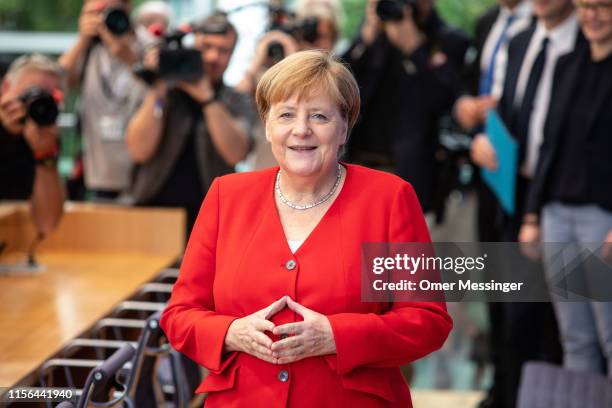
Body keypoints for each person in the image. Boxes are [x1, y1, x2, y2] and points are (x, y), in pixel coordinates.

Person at [160, 50, 452, 406]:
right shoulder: (227, 196)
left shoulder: (388, 199)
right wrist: (231, 332)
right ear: (268, 126)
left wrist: (335, 335)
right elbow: (179, 315)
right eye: (285, 115)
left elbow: (427, 321)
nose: (301, 130)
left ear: (344, 127)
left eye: (319, 116)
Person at [522, 0, 612, 376]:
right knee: (575, 338)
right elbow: (549, 145)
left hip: (603, 217)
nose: (591, 15)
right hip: (558, 214)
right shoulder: (566, 64)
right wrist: (532, 214)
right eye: (585, 6)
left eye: (603, 6)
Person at [124, 12, 257, 235]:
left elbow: (236, 153)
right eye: (206, 47)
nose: (213, 57)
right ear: (190, 47)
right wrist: (160, 86)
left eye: (223, 50)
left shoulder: (236, 100)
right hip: (151, 216)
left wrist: (207, 98)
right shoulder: (157, 91)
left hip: (211, 220)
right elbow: (138, 150)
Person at [342, 0, 470, 212]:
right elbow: (340, 84)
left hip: (409, 174)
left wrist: (415, 49)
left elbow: (446, 102)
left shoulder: (450, 39)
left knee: (402, 245)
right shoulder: (376, 32)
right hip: (358, 163)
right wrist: (365, 40)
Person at [59, 0, 146, 200]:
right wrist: (83, 39)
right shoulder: (89, 49)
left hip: (143, 175)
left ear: (128, 8)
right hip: (98, 173)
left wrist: (131, 60)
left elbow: (160, 90)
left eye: (111, 11)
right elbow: (59, 81)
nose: (105, 18)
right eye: (96, 12)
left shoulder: (146, 44)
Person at [0, 54, 64, 236]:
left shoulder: (45, 133)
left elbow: (48, 224)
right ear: (6, 88)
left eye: (49, 98)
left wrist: (45, 155)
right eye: (31, 94)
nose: (38, 105)